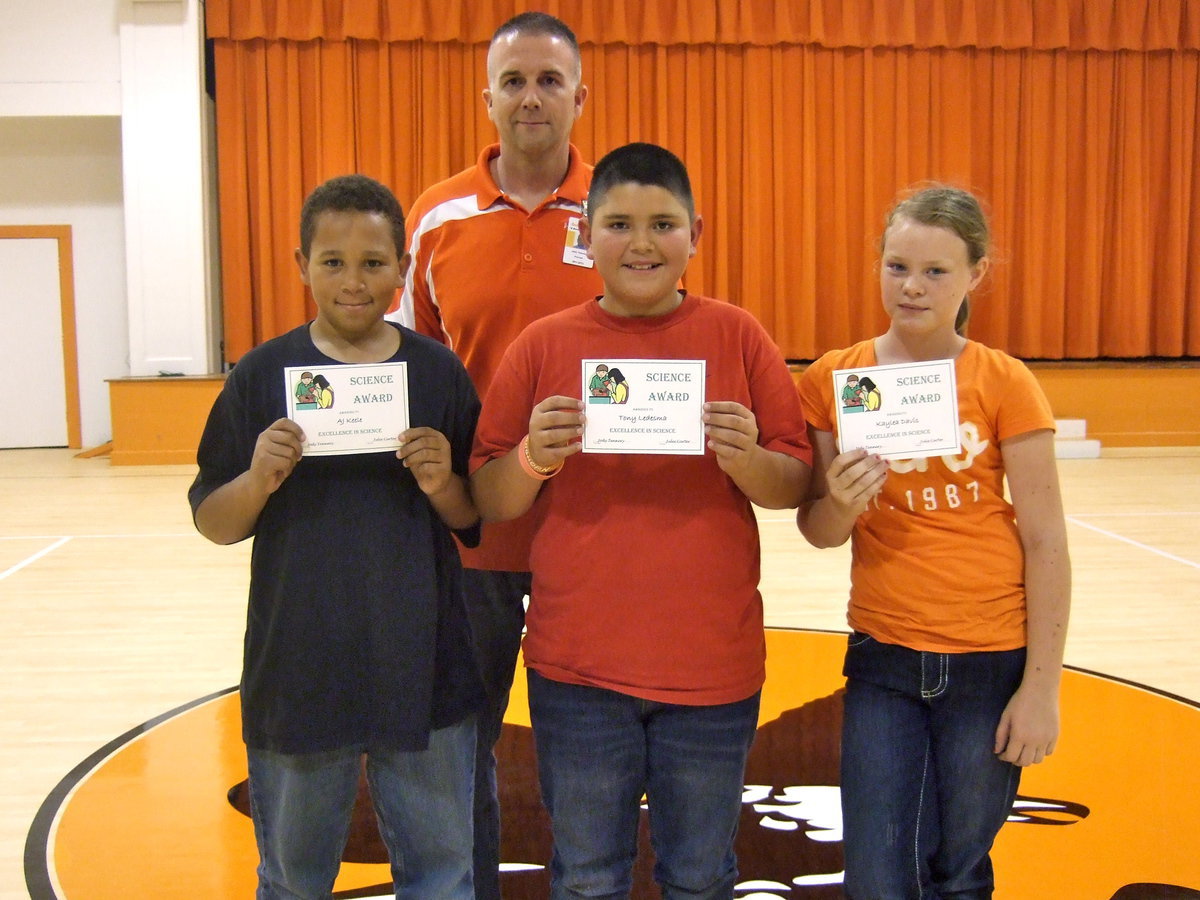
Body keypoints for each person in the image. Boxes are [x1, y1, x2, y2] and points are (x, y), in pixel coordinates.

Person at [470, 142, 813, 899]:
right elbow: (488, 501)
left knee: (700, 877)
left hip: (713, 673)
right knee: (588, 879)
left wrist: (747, 458)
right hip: (578, 673)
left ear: (697, 232)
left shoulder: (740, 336)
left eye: (663, 224)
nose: (642, 243)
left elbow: (792, 484)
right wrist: (532, 457)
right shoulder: (544, 347)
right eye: (619, 224)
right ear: (586, 237)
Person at [188, 174, 483, 900]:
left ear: (402, 270)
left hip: (425, 660)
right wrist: (257, 479)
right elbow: (213, 521)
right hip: (298, 664)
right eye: (333, 262)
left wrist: (444, 481)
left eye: (374, 263)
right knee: (292, 880)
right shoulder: (260, 376)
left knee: (442, 877)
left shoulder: (437, 373)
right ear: (301, 264)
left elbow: (474, 518)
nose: (355, 282)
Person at [796, 185, 1071, 899]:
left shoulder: (1003, 380)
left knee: (958, 872)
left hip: (990, 662)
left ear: (976, 274)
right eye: (897, 267)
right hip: (885, 657)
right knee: (878, 877)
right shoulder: (835, 378)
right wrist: (843, 502)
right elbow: (818, 531)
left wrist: (1042, 689)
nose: (911, 287)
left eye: (936, 271)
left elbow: (1045, 541)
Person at [388, 12, 603, 896]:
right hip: (470, 533)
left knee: (584, 746)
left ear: (580, 97)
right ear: (487, 97)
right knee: (462, 740)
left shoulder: (622, 209)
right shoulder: (435, 215)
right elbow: (409, 363)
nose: (530, 98)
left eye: (549, 81)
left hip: (593, 534)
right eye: (513, 81)